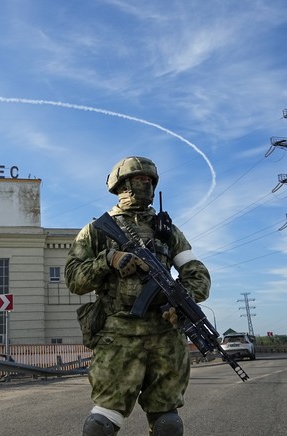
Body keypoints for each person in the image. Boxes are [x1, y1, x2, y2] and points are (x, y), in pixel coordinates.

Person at [65, 156, 211, 436]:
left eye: (149, 181)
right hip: (118, 336)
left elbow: (197, 273)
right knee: (101, 425)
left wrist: (182, 301)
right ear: (122, 185)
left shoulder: (167, 231)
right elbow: (73, 279)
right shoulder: (96, 230)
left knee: (168, 424)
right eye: (139, 180)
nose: (146, 185)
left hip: (165, 336)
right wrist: (107, 260)